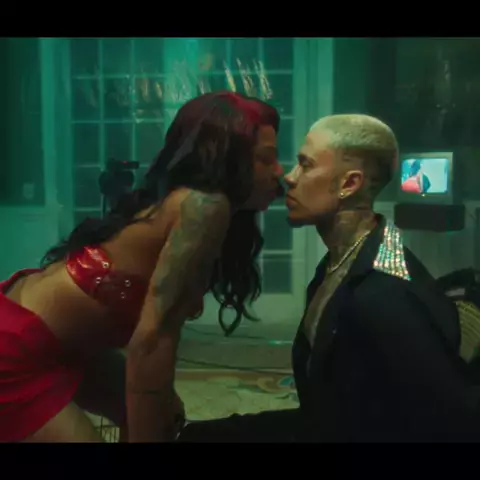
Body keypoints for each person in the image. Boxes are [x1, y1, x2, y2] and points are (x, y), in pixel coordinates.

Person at [0, 91, 283, 442]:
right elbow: (151, 342)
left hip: (58, 339)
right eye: (266, 159)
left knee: (166, 414)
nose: (280, 173)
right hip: (13, 349)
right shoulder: (205, 206)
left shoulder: (190, 202)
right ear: (228, 159)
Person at [177, 113, 480, 442]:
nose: (289, 177)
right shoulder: (345, 260)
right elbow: (329, 410)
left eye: (305, 165)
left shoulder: (383, 294)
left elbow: (453, 418)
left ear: (349, 184)